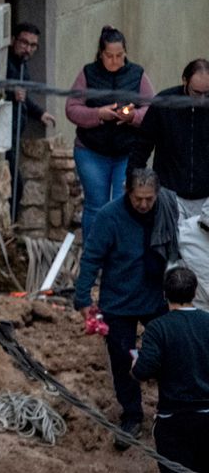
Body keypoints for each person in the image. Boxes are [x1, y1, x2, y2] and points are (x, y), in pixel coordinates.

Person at [74, 168, 177, 448]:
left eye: (149, 199)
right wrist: (82, 298)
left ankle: (169, 412)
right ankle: (132, 415)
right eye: (138, 199)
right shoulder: (109, 217)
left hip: (156, 296)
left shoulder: (166, 209)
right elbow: (92, 256)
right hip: (118, 300)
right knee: (122, 360)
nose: (144, 205)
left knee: (168, 355)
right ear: (127, 193)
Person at [65, 25, 156, 236]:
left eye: (119, 55)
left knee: (120, 204)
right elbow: (71, 108)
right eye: (109, 56)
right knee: (96, 206)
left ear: (125, 53)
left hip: (126, 151)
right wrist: (98, 114)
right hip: (91, 151)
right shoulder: (88, 73)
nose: (115, 61)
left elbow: (152, 108)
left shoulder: (137, 74)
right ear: (100, 54)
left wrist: (133, 116)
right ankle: (93, 257)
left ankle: (117, 256)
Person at [131, 267, 209, 472]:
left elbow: (142, 370)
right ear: (194, 292)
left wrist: (135, 364)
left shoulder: (158, 328)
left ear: (164, 293)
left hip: (174, 420)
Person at [130, 58, 209, 220]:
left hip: (206, 197)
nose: (201, 99)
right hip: (169, 193)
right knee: (168, 242)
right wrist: (132, 180)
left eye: (206, 94)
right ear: (185, 81)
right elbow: (142, 145)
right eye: (196, 93)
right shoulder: (164, 103)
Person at [5, 22, 57, 220]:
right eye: (24, 43)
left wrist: (39, 113)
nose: (28, 49)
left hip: (15, 134)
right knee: (14, 186)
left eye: (33, 45)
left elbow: (23, 95)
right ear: (12, 40)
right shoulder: (7, 64)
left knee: (17, 186)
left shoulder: (21, 64)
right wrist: (10, 93)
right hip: (4, 136)